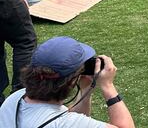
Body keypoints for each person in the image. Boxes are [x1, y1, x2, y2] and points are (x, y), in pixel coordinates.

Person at [0, 36, 135, 128]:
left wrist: (85, 91)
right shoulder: (63, 123)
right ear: (71, 82)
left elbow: (71, 117)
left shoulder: (15, 98)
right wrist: (108, 86)